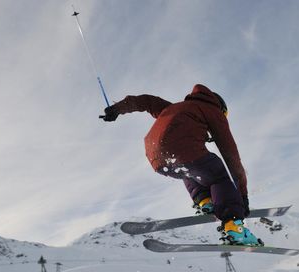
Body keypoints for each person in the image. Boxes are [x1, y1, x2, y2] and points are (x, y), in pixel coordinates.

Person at [101, 84, 262, 246]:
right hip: (183, 149)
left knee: (189, 170)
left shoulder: (177, 108)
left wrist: (117, 109)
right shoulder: (212, 110)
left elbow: (147, 101)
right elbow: (231, 154)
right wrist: (242, 195)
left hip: (155, 157)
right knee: (218, 174)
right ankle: (234, 226)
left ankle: (205, 202)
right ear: (221, 108)